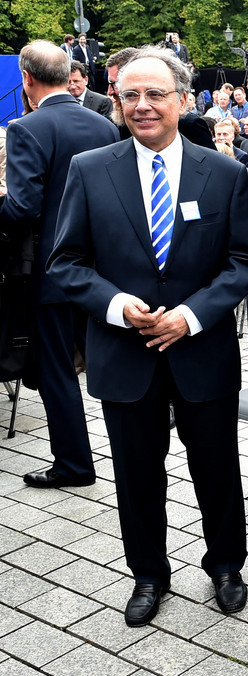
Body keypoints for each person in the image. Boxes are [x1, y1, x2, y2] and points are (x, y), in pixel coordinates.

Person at [47, 46, 248, 627]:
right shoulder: (90, 170)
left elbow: (244, 261)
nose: (142, 105)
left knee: (217, 469)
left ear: (183, 100)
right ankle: (148, 574)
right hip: (124, 352)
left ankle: (226, 566)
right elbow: (65, 263)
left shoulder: (224, 173)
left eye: (156, 94)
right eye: (130, 94)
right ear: (116, 99)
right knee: (137, 475)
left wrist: (189, 316)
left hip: (202, 351)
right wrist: (118, 305)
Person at [0, 41, 120, 490]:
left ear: (26, 79)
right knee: (107, 362)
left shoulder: (27, 128)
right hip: (101, 267)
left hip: (50, 270)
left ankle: (74, 464)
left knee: (56, 371)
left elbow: (24, 207)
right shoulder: (102, 124)